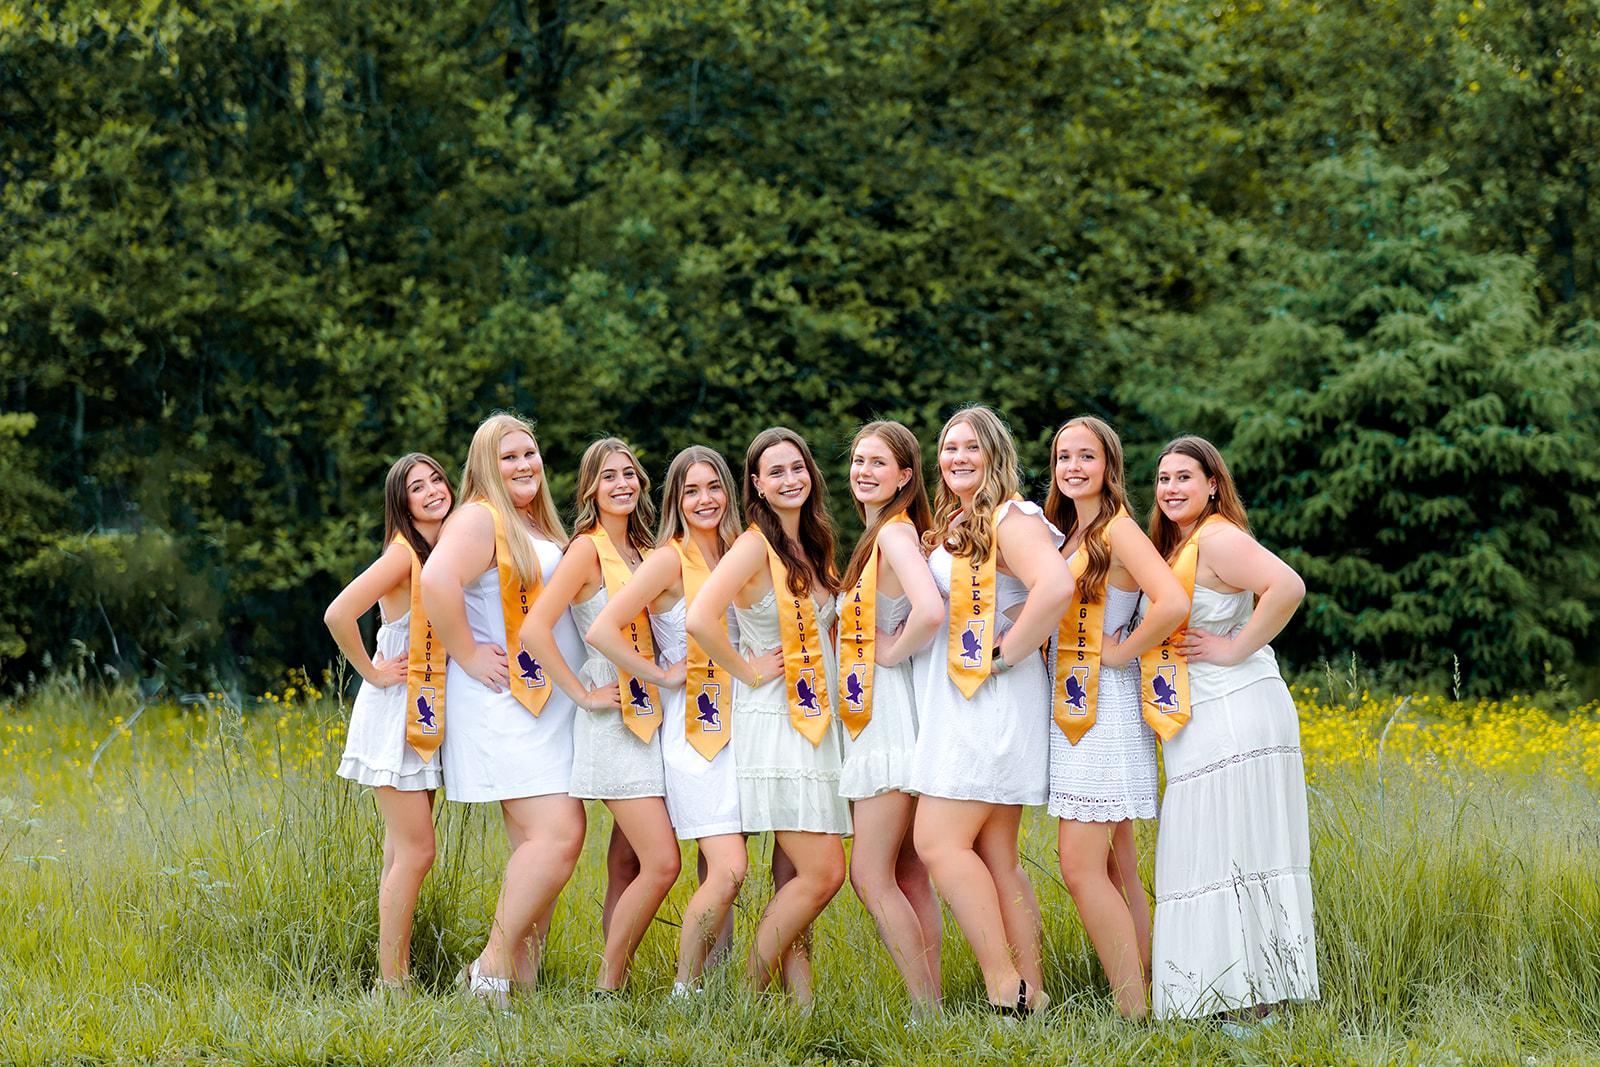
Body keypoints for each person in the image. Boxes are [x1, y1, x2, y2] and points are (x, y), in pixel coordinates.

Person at [587, 446, 779, 993]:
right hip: (694, 731)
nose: (704, 500)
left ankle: (712, 985)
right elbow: (603, 628)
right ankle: (675, 989)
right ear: (675, 499)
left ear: (730, 491)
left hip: (741, 727)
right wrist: (661, 675)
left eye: (713, 487)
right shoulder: (670, 559)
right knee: (729, 868)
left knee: (718, 869)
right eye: (691, 491)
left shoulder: (743, 552)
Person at [1144, 435, 1320, 1024]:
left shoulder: (1217, 537)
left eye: (1184, 477)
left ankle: (1254, 1003)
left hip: (1236, 709)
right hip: (1206, 719)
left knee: (1239, 850)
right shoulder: (1185, 545)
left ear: (1213, 484)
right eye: (1163, 478)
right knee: (1220, 851)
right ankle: (1228, 998)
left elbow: (1288, 587)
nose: (1170, 488)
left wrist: (1235, 648)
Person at [908, 405, 1073, 1015]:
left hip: (989, 703)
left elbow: (1055, 587)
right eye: (948, 447)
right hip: (965, 704)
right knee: (996, 856)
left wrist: (1004, 653)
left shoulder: (1012, 515)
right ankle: (1033, 993)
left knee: (937, 843)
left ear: (995, 454)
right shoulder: (962, 519)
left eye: (970, 448)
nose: (956, 458)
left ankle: (1004, 985)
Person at [419, 413, 587, 1006]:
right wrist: (465, 652)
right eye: (509, 456)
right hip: (503, 704)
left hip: (547, 707)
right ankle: (488, 970)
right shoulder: (478, 517)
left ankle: (520, 985)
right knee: (562, 835)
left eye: (531, 454)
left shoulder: (533, 524)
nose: (524, 465)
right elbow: (436, 579)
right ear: (485, 465)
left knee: (535, 847)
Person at [686, 427, 850, 1005]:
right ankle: (748, 989)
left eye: (798, 467)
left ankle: (801, 1008)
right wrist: (748, 670)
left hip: (816, 718)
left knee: (794, 875)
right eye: (775, 471)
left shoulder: (810, 539)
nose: (790, 479)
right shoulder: (755, 544)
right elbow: (701, 618)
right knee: (825, 873)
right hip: (779, 719)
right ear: (755, 483)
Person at [1041, 416, 1188, 1020]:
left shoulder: (1120, 530)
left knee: (1079, 866)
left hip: (1103, 712)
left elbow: (1172, 601)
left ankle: (1132, 1009)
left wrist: (1121, 653)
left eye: (1086, 457)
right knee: (1115, 862)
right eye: (1063, 457)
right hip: (1071, 706)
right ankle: (1155, 995)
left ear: (1110, 466)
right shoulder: (1066, 538)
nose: (1073, 468)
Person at [522, 437, 677, 995]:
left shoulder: (643, 547)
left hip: (655, 714)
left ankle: (618, 979)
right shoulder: (586, 550)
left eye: (630, 474)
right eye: (608, 476)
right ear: (590, 487)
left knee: (628, 863)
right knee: (663, 863)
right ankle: (608, 987)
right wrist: (584, 697)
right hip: (613, 719)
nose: (622, 484)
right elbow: (534, 629)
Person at [324, 452, 453, 996]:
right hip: (398, 710)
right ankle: (392, 985)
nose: (430, 492)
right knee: (417, 851)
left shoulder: (442, 550)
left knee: (403, 851)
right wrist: (373, 674)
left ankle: (392, 978)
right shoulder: (404, 554)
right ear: (401, 504)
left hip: (424, 707)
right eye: (415, 487)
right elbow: (338, 612)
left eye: (437, 480)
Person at [836, 421, 944, 1014]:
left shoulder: (895, 536)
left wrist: (887, 651)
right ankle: (932, 1003)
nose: (864, 471)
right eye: (858, 460)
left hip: (886, 718)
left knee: (870, 875)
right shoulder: (884, 533)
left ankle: (924, 1008)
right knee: (907, 870)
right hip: (892, 712)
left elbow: (927, 611)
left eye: (879, 463)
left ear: (905, 476)